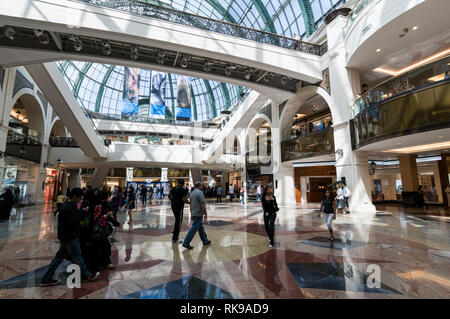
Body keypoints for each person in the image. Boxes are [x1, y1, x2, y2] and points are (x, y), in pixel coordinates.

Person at [40, 188, 100, 286]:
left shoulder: (70, 205)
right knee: (77, 257)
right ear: (74, 196)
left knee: (58, 258)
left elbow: (73, 219)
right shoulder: (67, 207)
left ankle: (46, 278)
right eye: (80, 197)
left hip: (66, 236)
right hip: (70, 237)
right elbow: (71, 221)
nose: (81, 200)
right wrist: (83, 213)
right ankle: (86, 275)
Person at [182, 182, 211, 250]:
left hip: (194, 213)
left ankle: (205, 240)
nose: (202, 187)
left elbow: (191, 205)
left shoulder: (192, 193)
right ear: (199, 186)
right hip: (198, 213)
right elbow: (203, 204)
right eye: (201, 185)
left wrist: (192, 214)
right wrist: (205, 214)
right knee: (194, 229)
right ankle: (186, 242)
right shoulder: (200, 193)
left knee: (201, 228)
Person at [168, 179, 190, 243]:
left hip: (173, 206)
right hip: (179, 207)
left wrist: (173, 200)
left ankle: (175, 234)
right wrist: (189, 203)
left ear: (178, 182)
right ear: (183, 183)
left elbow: (169, 195)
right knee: (178, 222)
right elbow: (184, 199)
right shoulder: (183, 189)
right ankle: (175, 238)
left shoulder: (174, 188)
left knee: (177, 220)